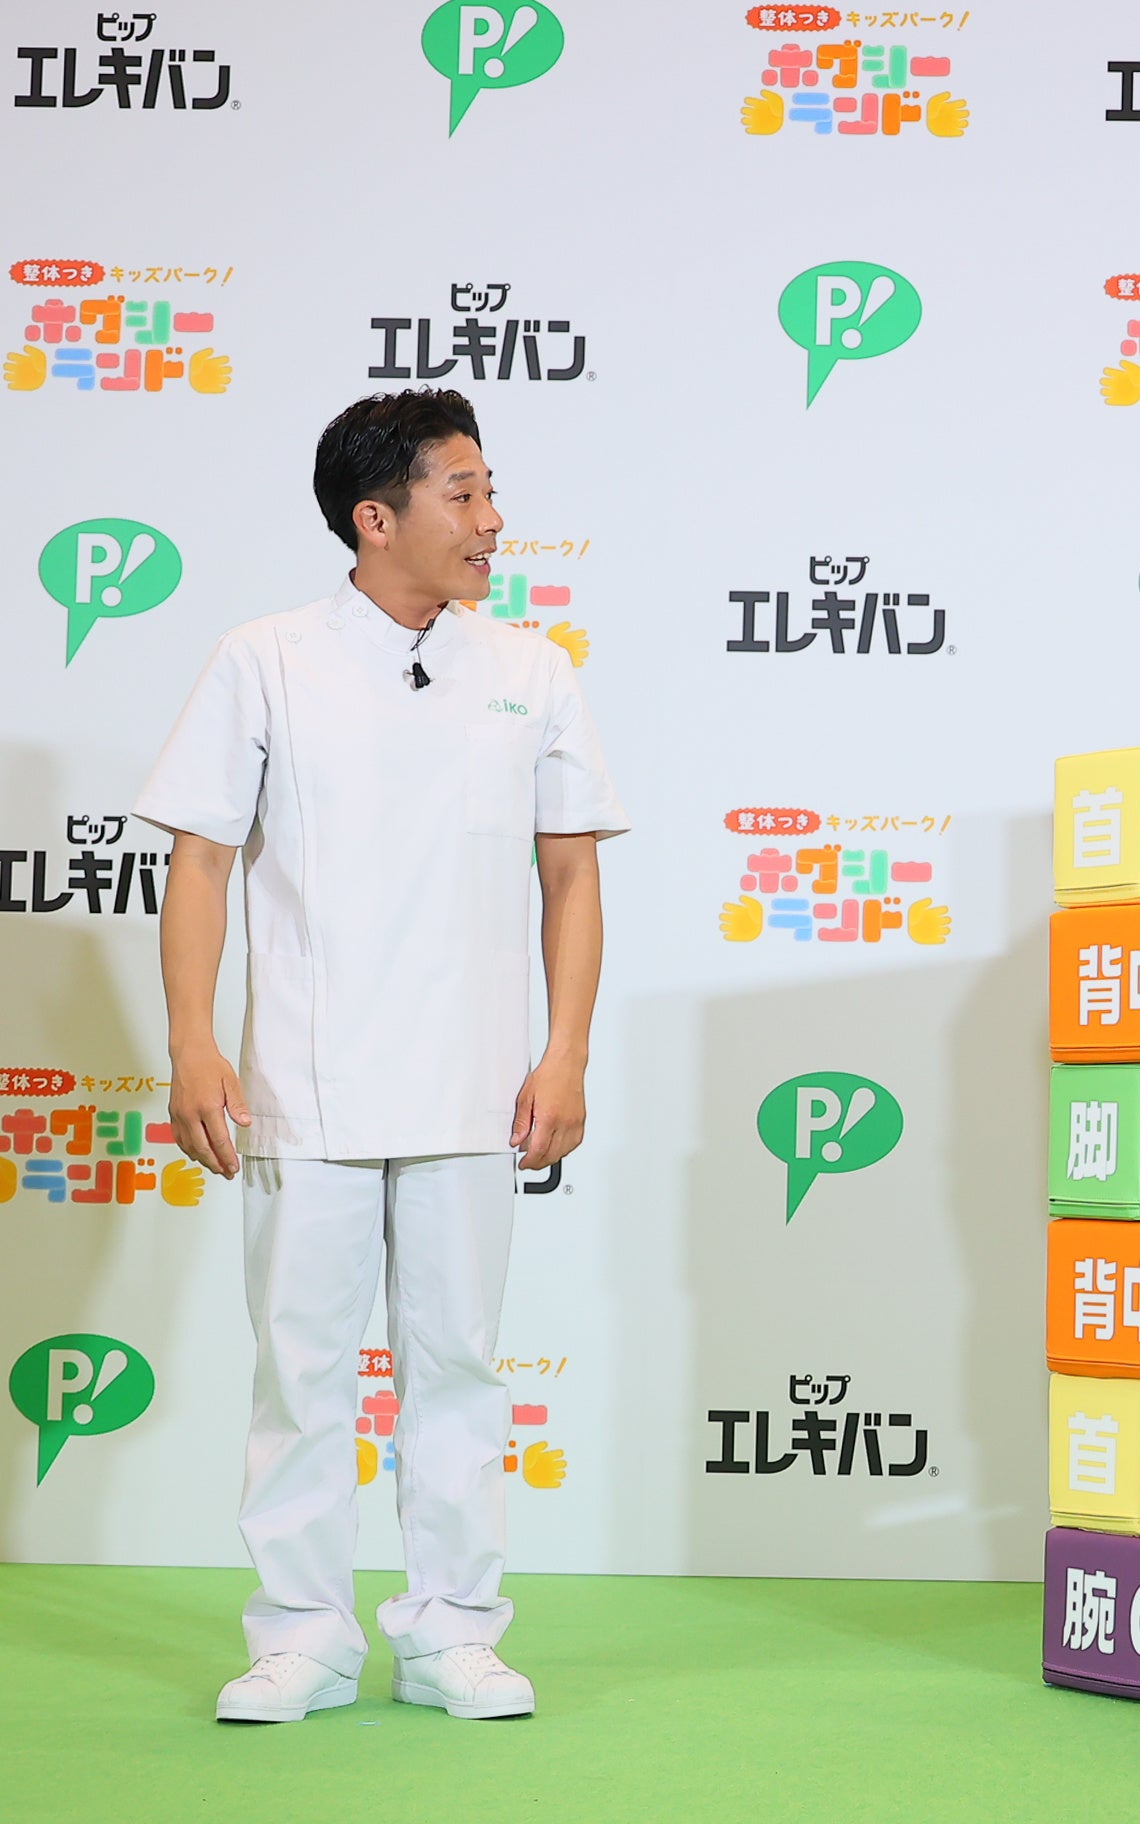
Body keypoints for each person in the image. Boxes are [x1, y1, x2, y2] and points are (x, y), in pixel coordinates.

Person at [137, 389, 627, 1724]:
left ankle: (452, 1631)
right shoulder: (266, 659)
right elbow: (200, 861)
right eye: (463, 493)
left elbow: (571, 875)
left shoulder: (531, 668)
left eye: (489, 490)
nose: (492, 519)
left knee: (456, 1370)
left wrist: (566, 1052)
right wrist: (192, 1039)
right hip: (305, 1086)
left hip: (477, 1087)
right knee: (301, 1377)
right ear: (375, 517)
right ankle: (300, 1635)